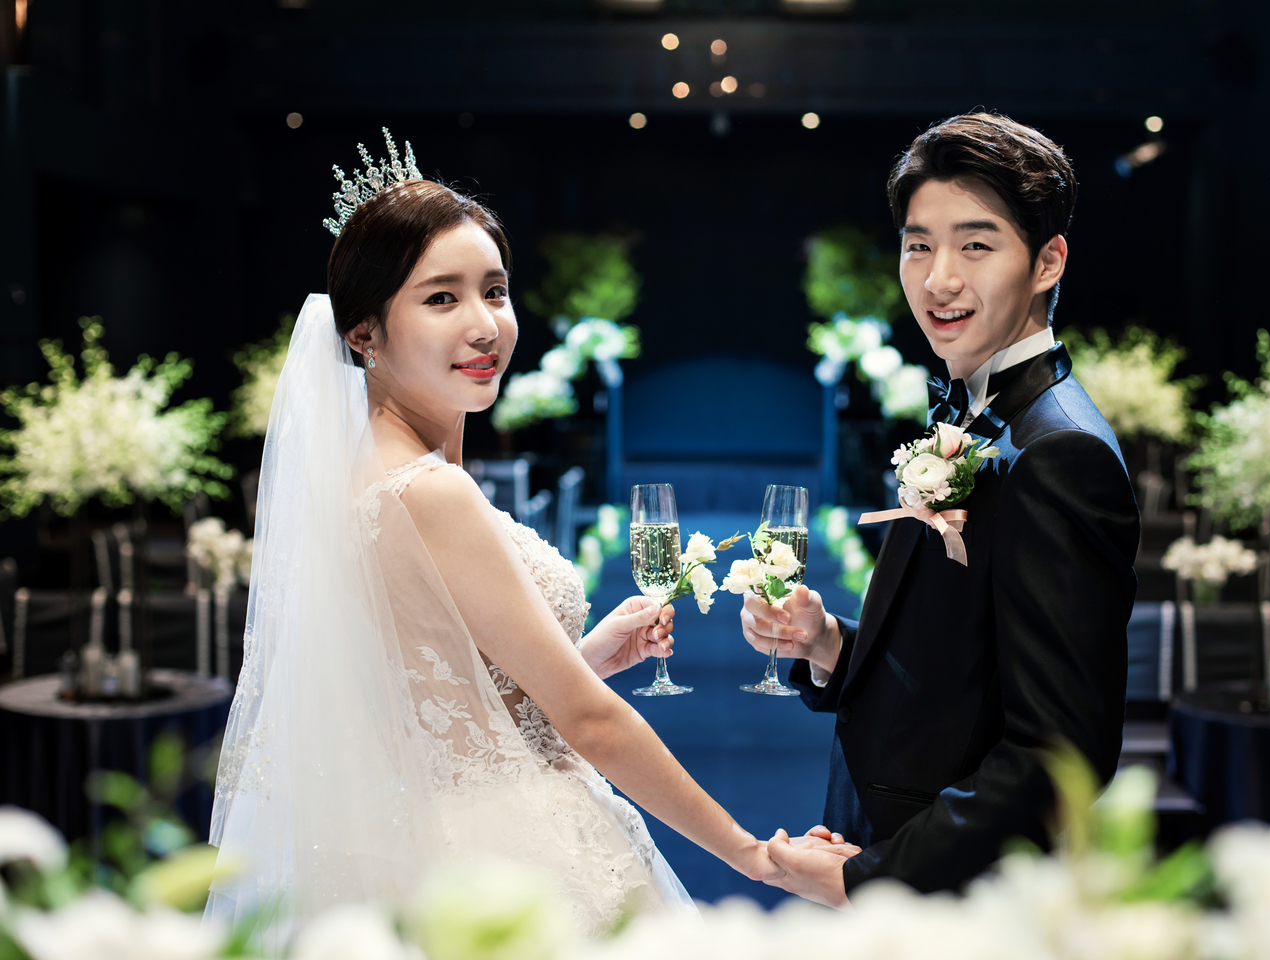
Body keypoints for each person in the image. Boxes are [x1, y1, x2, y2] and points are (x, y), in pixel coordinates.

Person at [206, 132, 851, 944]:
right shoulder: (429, 489)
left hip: (429, 839)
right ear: (365, 332)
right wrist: (753, 854)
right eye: (442, 298)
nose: (486, 326)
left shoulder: (374, 471)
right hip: (508, 854)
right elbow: (591, 725)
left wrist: (586, 654)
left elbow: (437, 698)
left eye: (496, 292)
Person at [750, 113, 1141, 907]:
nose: (938, 279)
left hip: (966, 890)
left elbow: (1058, 752)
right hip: (898, 835)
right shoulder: (971, 413)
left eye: (976, 244)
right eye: (918, 244)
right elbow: (959, 671)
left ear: (1047, 261)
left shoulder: (1059, 451)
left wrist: (872, 879)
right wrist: (826, 643)